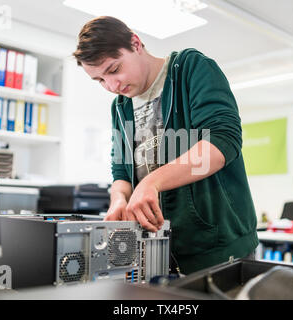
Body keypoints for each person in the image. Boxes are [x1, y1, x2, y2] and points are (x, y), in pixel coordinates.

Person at [72, 16, 258, 275]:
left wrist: (152, 182)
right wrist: (118, 200)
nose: (112, 86)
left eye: (114, 70)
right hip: (155, 250)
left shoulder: (190, 68)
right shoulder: (121, 107)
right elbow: (121, 172)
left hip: (217, 248)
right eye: (100, 80)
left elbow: (222, 141)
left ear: (136, 44)